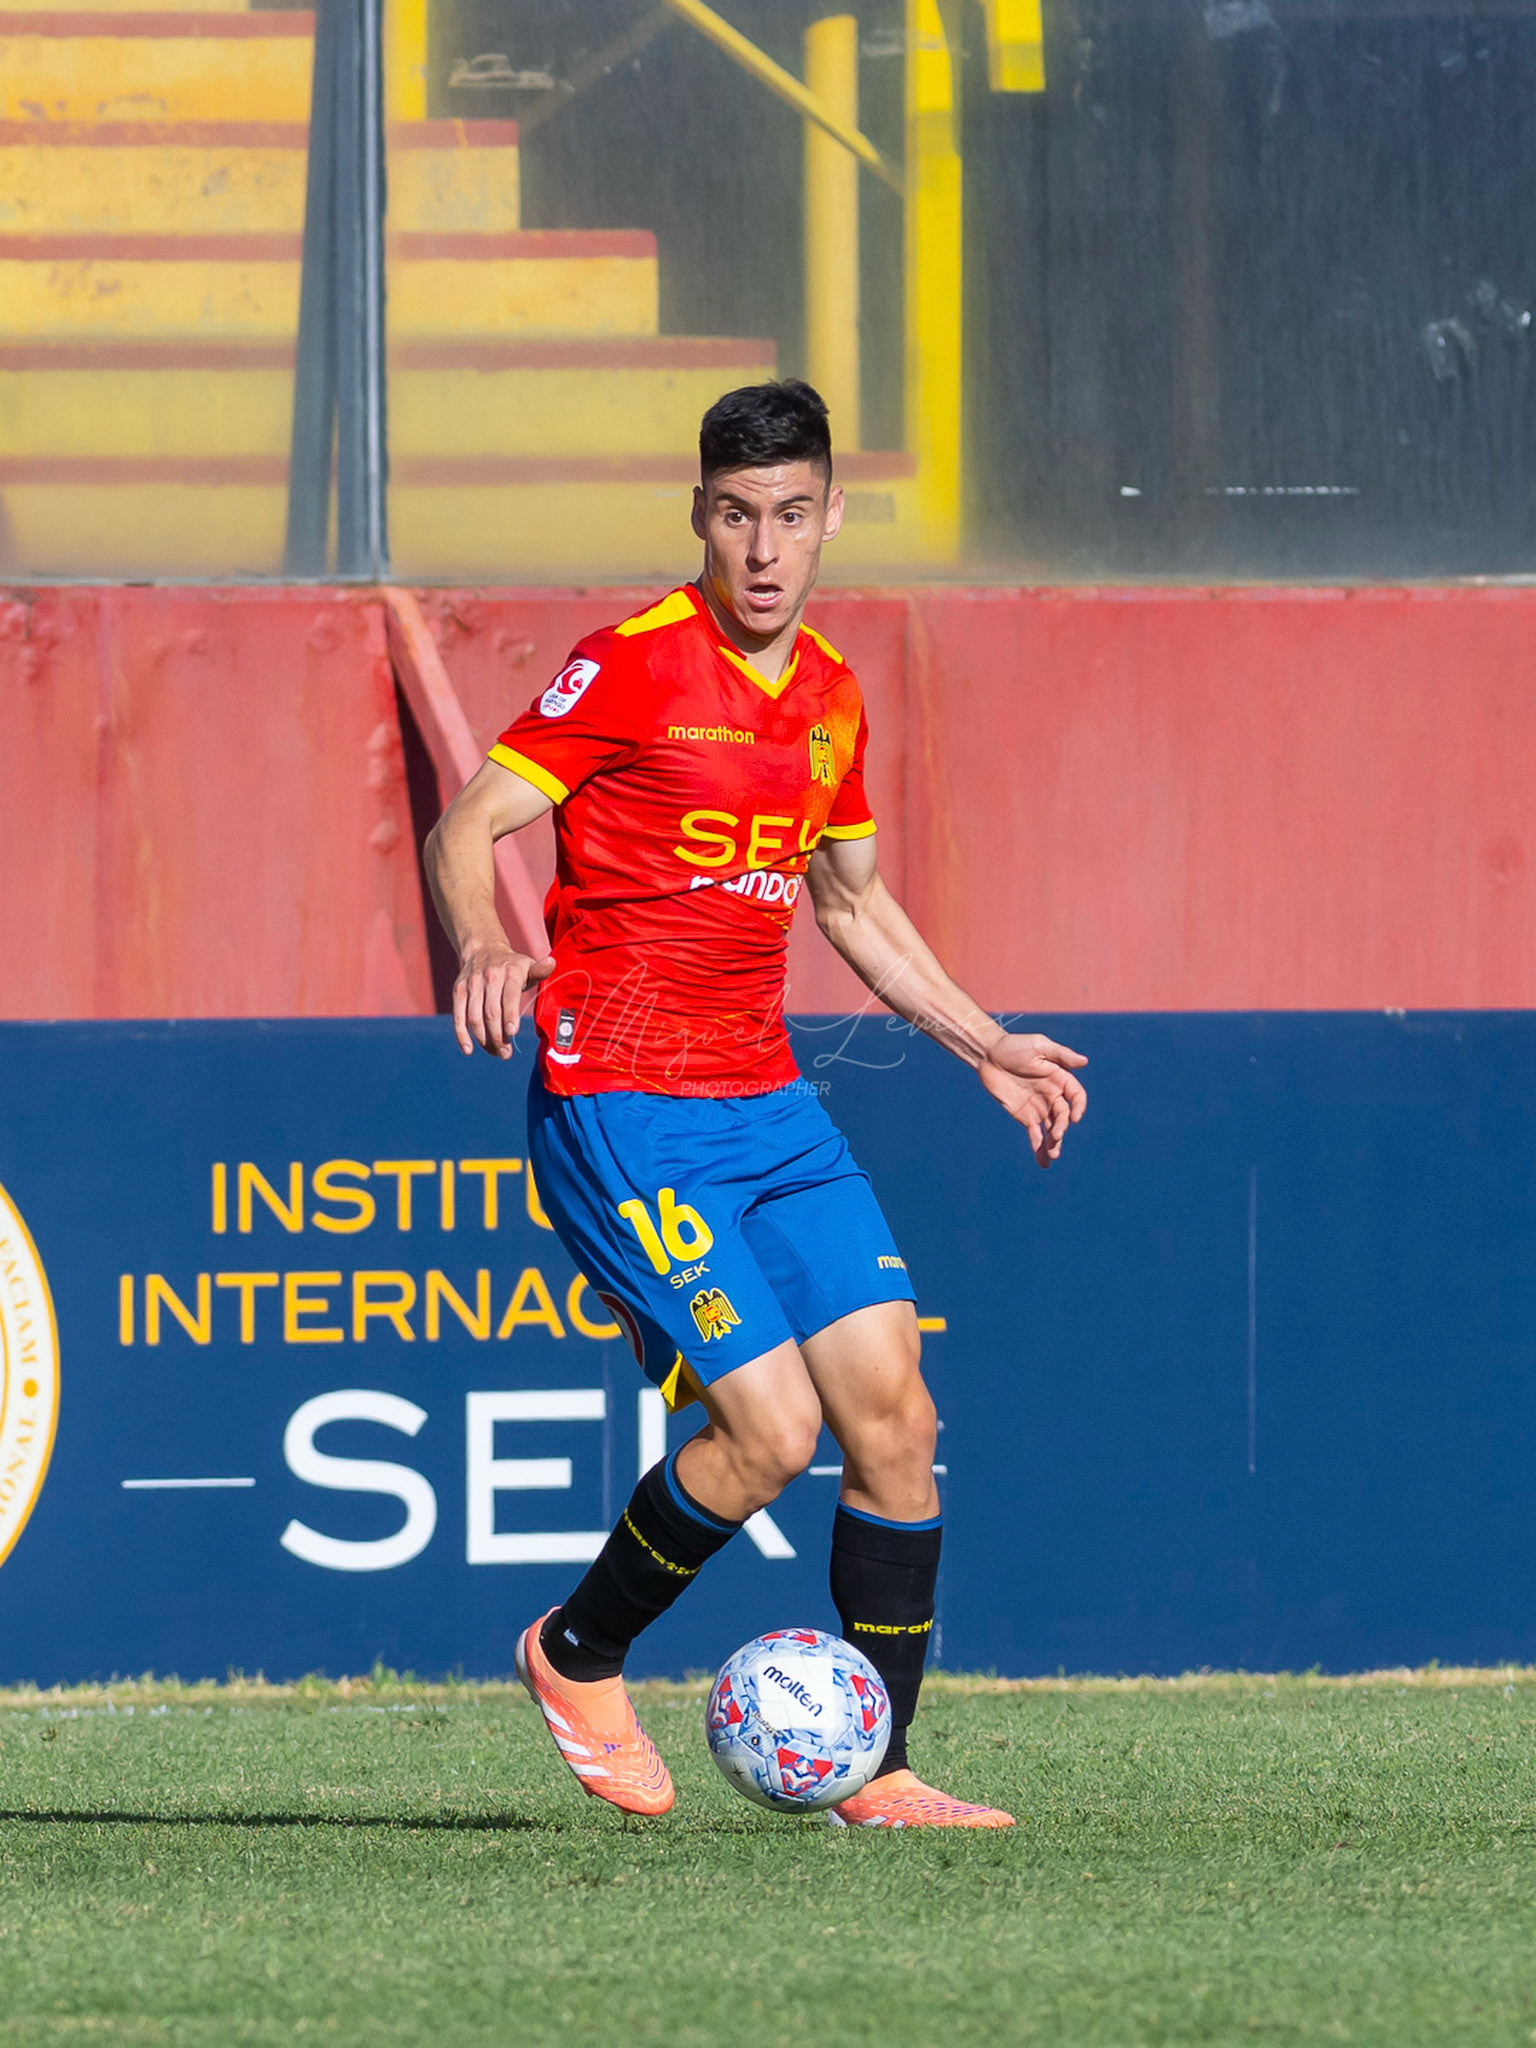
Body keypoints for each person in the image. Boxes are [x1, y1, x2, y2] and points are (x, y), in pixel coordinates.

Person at [424, 379, 1087, 1828]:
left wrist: (981, 1042)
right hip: (625, 1100)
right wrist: (483, 938)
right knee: (774, 1431)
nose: (765, 549)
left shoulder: (835, 698)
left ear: (833, 514)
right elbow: (469, 820)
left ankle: (880, 1768)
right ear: (701, 518)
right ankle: (577, 1652)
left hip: (767, 1101)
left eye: (792, 515)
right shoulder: (635, 667)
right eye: (736, 516)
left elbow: (849, 900)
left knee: (895, 1416)